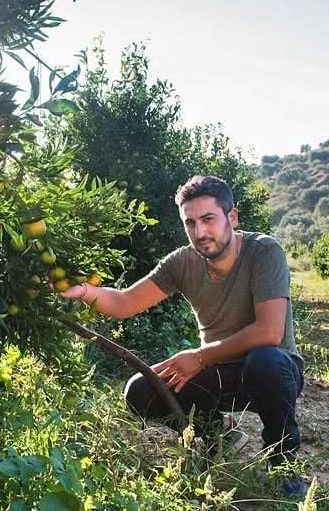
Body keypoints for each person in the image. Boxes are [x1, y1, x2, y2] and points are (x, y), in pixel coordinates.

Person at [59, 175, 306, 495]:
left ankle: (284, 465)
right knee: (140, 391)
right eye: (190, 223)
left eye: (208, 219)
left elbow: (269, 332)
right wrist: (83, 290)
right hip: (220, 373)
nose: (199, 232)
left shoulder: (263, 251)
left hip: (275, 372)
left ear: (232, 217)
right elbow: (124, 303)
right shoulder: (182, 262)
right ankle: (219, 434)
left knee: (265, 360)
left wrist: (199, 357)